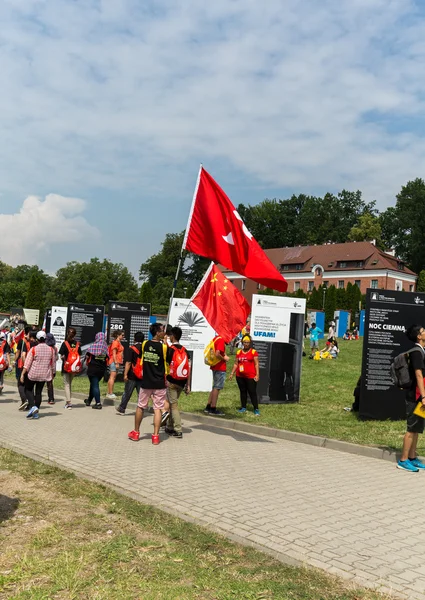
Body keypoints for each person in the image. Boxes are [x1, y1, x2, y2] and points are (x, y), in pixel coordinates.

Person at [128, 322, 171, 445]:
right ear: (157, 333)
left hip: (146, 382)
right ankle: (156, 436)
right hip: (159, 383)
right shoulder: (164, 347)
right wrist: (166, 343)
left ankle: (136, 433)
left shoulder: (145, 344)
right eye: (162, 330)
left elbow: (141, 358)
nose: (164, 332)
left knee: (141, 406)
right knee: (157, 409)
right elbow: (168, 359)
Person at [397, 324, 425, 472]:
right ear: (419, 337)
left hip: (421, 397)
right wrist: (424, 396)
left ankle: (412, 458)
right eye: (423, 331)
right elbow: (419, 375)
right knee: (411, 428)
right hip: (415, 397)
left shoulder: (421, 351)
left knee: (417, 428)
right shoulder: (416, 352)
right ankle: (403, 460)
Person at [20, 330, 56, 419]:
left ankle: (33, 407)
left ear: (37, 339)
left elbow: (27, 363)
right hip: (44, 375)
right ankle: (36, 412)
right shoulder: (51, 350)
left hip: (33, 374)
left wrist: (22, 374)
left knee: (28, 390)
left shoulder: (34, 349)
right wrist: (53, 374)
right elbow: (53, 364)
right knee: (38, 392)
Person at [164, 326, 190, 439]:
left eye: (170, 335)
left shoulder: (170, 349)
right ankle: (170, 426)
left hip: (171, 381)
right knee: (171, 403)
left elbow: (166, 365)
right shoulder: (185, 350)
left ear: (173, 336)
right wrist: (188, 385)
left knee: (173, 405)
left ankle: (178, 429)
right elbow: (189, 367)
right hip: (182, 382)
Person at [229, 335, 260, 416]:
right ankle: (243, 407)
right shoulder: (239, 352)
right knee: (243, 392)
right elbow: (236, 364)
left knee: (252, 392)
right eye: (245, 342)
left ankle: (256, 409)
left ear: (250, 343)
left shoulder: (253, 352)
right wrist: (232, 373)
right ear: (242, 342)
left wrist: (257, 374)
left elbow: (256, 364)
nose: (246, 344)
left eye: (248, 342)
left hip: (250, 376)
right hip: (240, 376)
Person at [116, 331, 144, 415]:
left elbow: (128, 363)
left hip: (132, 375)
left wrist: (125, 374)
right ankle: (141, 411)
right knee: (141, 395)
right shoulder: (145, 349)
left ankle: (122, 408)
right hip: (142, 375)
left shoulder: (131, 349)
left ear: (134, 339)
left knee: (127, 392)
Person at [204, 334, 229, 416]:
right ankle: (213, 408)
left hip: (214, 366)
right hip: (220, 367)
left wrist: (224, 354)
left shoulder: (216, 338)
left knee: (214, 386)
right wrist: (224, 358)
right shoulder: (221, 340)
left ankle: (208, 406)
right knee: (217, 387)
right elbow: (217, 353)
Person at [84, 332, 108, 410]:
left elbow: (87, 356)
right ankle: (89, 400)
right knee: (93, 384)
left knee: (95, 385)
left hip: (93, 368)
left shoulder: (93, 346)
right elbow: (108, 357)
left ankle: (98, 403)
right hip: (101, 369)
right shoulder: (105, 347)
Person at [59, 327, 81, 409]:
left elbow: (61, 355)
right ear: (75, 334)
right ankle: (68, 401)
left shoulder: (65, 343)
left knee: (66, 384)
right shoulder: (77, 344)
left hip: (66, 366)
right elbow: (80, 354)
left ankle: (68, 403)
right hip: (74, 367)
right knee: (69, 384)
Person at [106, 330, 125, 400]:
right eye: (122, 335)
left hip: (116, 361)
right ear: (118, 335)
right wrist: (116, 362)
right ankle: (110, 393)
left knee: (112, 377)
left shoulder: (118, 343)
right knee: (112, 377)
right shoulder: (115, 343)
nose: (123, 336)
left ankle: (109, 392)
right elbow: (114, 354)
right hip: (114, 361)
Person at [45, 333, 57, 405]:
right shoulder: (55, 348)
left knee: (40, 382)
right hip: (52, 368)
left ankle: (36, 396)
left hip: (45, 367)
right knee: (50, 383)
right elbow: (56, 358)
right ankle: (51, 398)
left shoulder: (45, 347)